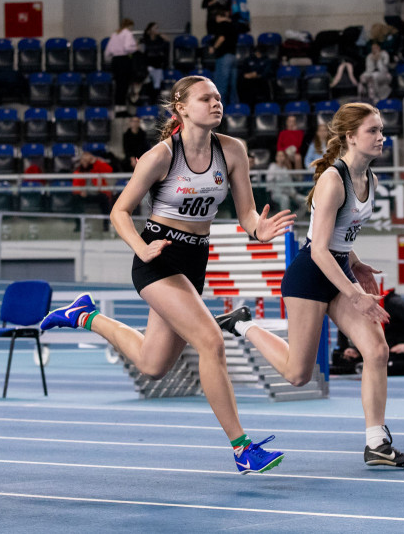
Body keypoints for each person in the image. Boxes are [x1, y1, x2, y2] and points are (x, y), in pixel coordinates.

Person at [41, 75, 295, 474]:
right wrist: (141, 247)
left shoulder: (232, 151)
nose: (216, 103)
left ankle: (84, 315)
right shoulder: (162, 155)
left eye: (217, 97)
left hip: (195, 259)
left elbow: (246, 211)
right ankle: (242, 448)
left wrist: (257, 229)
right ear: (181, 108)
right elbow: (119, 211)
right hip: (157, 255)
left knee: (153, 364)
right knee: (211, 341)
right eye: (205, 98)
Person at [220, 102, 404, 467]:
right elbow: (319, 250)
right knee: (298, 374)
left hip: (338, 268)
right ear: (350, 137)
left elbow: (341, 237)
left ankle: (376, 442)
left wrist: (355, 264)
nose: (381, 137)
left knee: (377, 351)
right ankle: (242, 324)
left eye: (381, 130)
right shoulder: (333, 180)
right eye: (373, 131)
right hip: (311, 275)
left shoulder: (371, 179)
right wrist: (355, 293)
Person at [72, 149, 114, 232]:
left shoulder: (96, 167)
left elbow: (109, 170)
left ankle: (106, 225)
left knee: (105, 199)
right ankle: (78, 225)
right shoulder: (78, 171)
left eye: (87, 160)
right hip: (85, 195)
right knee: (75, 199)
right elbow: (75, 186)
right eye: (83, 160)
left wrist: (95, 161)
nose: (85, 162)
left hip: (97, 194)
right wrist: (80, 191)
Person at [105, 18, 138, 106]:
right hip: (124, 60)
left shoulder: (115, 34)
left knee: (118, 84)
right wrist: (135, 48)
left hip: (115, 61)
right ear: (129, 26)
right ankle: (122, 105)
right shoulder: (127, 33)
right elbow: (127, 48)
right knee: (124, 84)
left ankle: (117, 105)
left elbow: (108, 51)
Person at [209, 8, 239, 104]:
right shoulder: (233, 25)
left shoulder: (221, 25)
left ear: (218, 17)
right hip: (233, 56)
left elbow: (221, 38)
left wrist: (214, 47)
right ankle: (234, 108)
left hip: (224, 56)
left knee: (221, 85)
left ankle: (222, 109)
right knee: (233, 86)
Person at [141, 22, 168, 97]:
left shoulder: (160, 40)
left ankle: (156, 96)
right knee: (149, 79)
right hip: (147, 65)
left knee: (157, 81)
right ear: (150, 30)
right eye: (155, 28)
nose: (157, 30)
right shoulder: (144, 40)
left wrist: (166, 41)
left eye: (157, 28)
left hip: (157, 65)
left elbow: (164, 52)